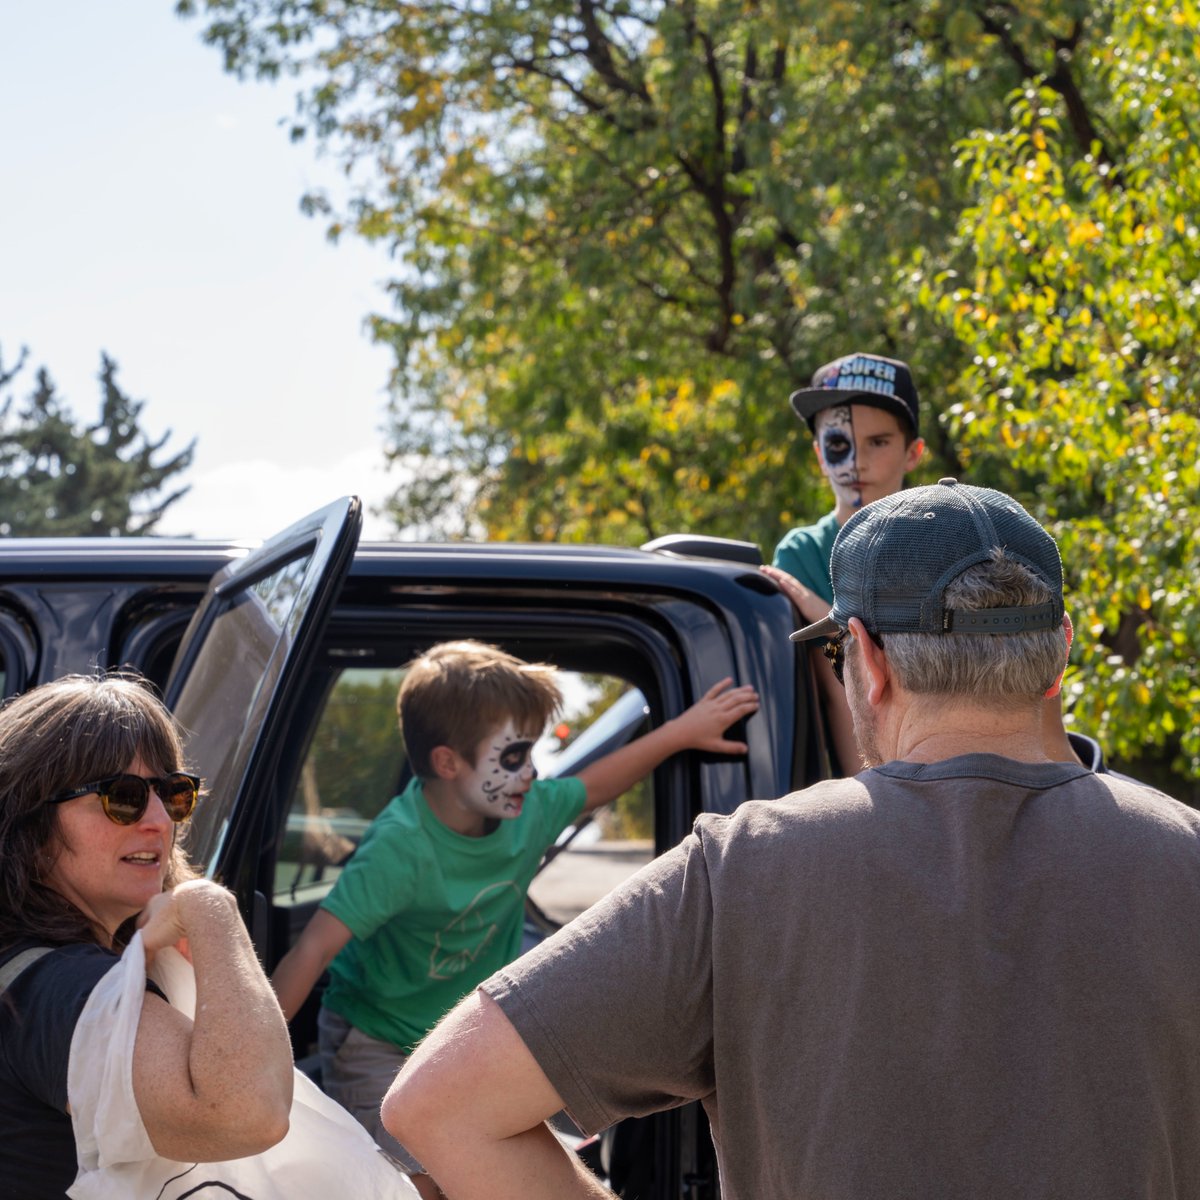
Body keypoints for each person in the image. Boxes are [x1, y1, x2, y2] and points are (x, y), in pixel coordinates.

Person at [381, 480, 1200, 1200]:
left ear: (869, 663)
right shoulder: (1187, 858)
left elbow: (438, 1107)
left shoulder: (744, 869)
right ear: (1059, 654)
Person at [271, 639, 758, 1199]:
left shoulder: (526, 816)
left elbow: (598, 784)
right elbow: (312, 951)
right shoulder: (400, 849)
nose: (529, 773)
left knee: (490, 1168)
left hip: (457, 1032)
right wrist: (251, 1054)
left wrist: (681, 732)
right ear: (448, 763)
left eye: (531, 754)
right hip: (376, 1039)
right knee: (418, 1186)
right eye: (510, 757)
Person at [0, 674, 295, 1199]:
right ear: (29, 821)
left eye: (173, 794)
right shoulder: (59, 987)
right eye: (124, 797)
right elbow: (250, 1112)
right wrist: (212, 908)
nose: (160, 820)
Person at [763, 351, 925, 774]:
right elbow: (837, 697)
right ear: (819, 454)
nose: (856, 461)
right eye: (839, 444)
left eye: (878, 442)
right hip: (867, 781)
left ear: (913, 453)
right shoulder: (802, 555)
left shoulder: (939, 545)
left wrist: (829, 620)